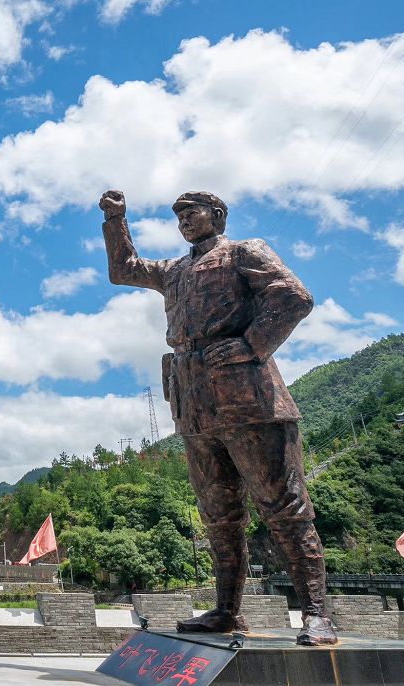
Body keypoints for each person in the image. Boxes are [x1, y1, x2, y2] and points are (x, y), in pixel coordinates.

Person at [99, 189, 337, 646]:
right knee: (219, 516)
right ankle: (227, 611)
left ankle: (315, 613)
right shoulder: (176, 270)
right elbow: (124, 270)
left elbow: (294, 297)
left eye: (193, 213)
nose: (185, 220)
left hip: (251, 399)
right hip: (194, 402)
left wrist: (253, 344)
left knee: (284, 507)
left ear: (218, 216)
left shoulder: (244, 252)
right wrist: (115, 220)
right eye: (180, 216)